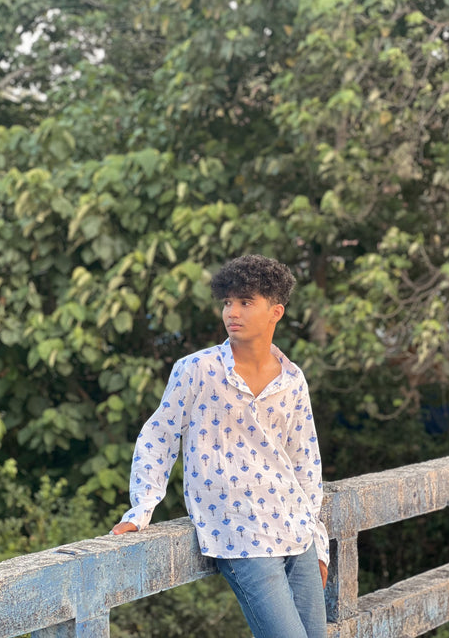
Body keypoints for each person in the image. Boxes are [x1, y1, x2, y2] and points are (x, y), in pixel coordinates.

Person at [112, 254, 329, 638]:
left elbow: (305, 462)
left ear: (275, 312)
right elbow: (159, 437)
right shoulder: (196, 370)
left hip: (297, 532)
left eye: (245, 302)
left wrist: (319, 542)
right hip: (240, 536)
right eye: (228, 302)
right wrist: (141, 509)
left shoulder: (292, 379)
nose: (232, 312)